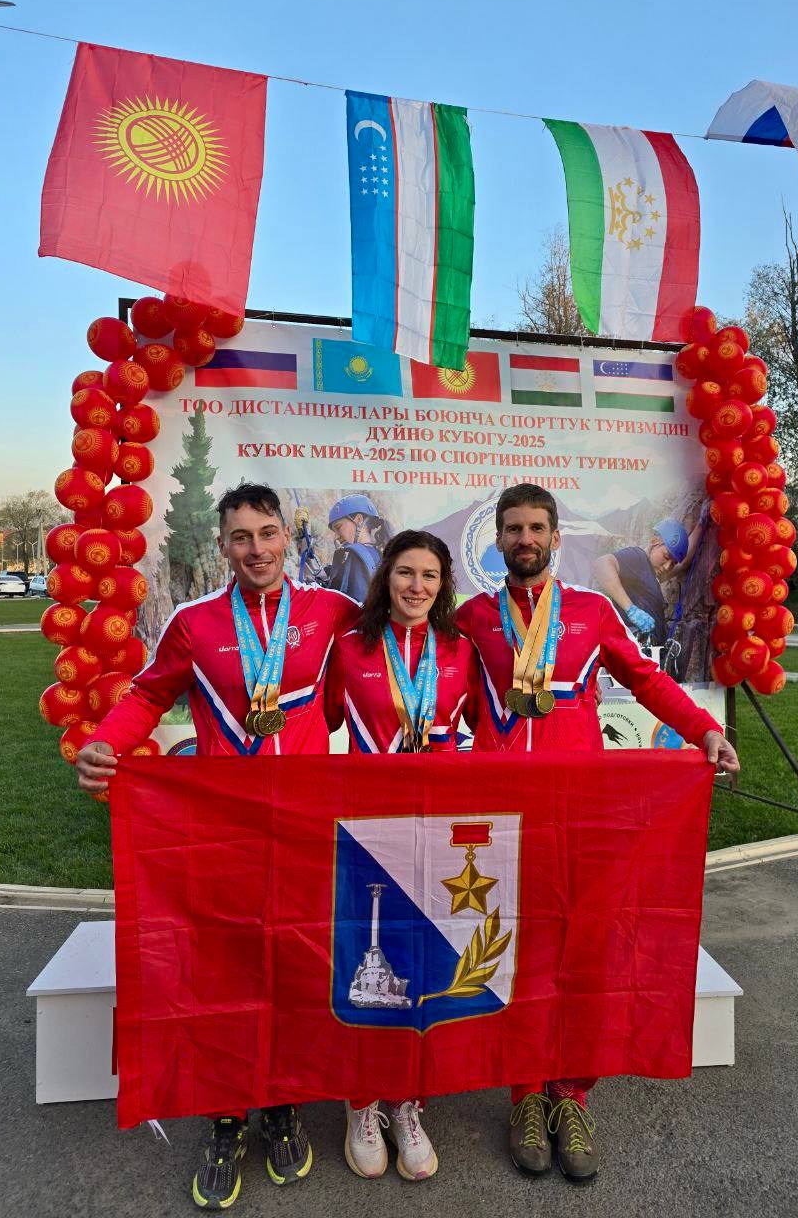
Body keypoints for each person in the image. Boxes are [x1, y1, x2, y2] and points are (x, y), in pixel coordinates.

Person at [76, 483, 358, 1212]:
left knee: (296, 965)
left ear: (286, 539)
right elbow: (145, 696)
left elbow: (391, 658)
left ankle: (285, 1103)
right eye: (241, 538)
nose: (257, 550)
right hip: (221, 830)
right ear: (222, 544)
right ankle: (227, 1117)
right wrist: (105, 745)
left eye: (268, 534)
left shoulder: (331, 612)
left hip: (304, 829)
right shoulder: (195, 622)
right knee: (225, 971)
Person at [455, 483, 739, 1185]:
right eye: (514, 528)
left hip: (578, 818)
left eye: (537, 528)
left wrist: (705, 728)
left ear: (556, 538)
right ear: (498, 540)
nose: (525, 539)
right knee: (511, 954)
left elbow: (644, 681)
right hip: (498, 823)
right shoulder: (468, 619)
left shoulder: (591, 611)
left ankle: (572, 1094)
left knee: (582, 954)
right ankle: (525, 1093)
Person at [325, 530, 479, 1181]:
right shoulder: (348, 648)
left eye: (430, 576)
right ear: (386, 575)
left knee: (427, 965)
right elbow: (320, 723)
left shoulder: (461, 651)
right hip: (364, 834)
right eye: (406, 572)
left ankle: (411, 1102)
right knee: (364, 963)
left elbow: (490, 733)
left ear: (443, 585)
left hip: (436, 835)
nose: (417, 586)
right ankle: (362, 1103)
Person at [593, 507, 709, 647]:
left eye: (672, 563)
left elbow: (682, 564)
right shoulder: (638, 558)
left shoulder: (652, 574)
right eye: (666, 557)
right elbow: (601, 565)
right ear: (654, 541)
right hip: (631, 650)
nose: (667, 566)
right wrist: (631, 609)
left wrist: (701, 525)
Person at [324, 494, 390, 601]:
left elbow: (351, 605)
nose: (336, 537)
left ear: (358, 519)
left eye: (338, 527)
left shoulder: (354, 555)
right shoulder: (381, 554)